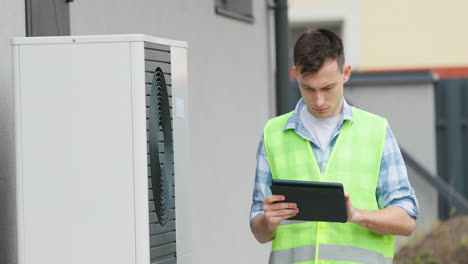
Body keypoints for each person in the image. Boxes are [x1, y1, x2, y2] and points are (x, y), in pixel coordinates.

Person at [250, 28, 419, 264]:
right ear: (295, 75)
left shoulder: (377, 130)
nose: (318, 101)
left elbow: (406, 220)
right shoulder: (272, 134)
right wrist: (268, 221)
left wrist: (356, 215)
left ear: (345, 73)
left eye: (328, 88)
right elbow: (259, 231)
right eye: (308, 88)